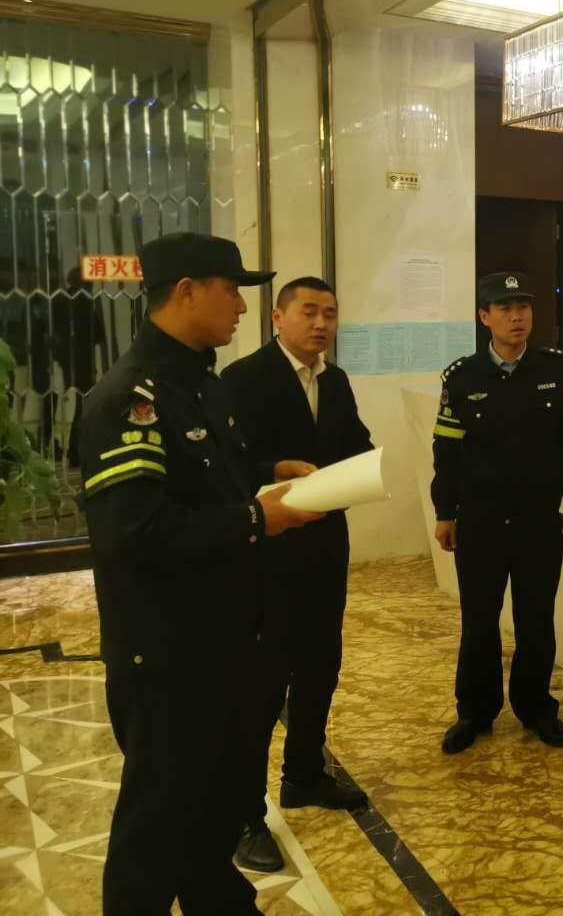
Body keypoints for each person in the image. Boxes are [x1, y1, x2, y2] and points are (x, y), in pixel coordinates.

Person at [79, 232, 322, 915]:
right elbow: (136, 531)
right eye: (232, 290)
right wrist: (256, 519)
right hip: (166, 655)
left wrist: (266, 474)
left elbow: (205, 483)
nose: (242, 307)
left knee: (212, 817)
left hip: (222, 642)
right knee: (155, 835)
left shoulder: (200, 386)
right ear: (186, 292)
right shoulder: (130, 399)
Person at [222, 276, 374, 873]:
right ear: (277, 318)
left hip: (325, 546)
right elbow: (226, 465)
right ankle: (243, 813)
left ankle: (304, 774)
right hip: (267, 550)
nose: (321, 324)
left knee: (320, 664)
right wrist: (275, 468)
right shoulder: (244, 379)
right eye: (308, 312)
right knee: (263, 685)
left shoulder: (335, 381)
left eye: (330, 314)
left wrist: (366, 469)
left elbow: (355, 443)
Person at [431, 271, 563, 753]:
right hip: (479, 521)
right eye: (504, 308)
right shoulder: (462, 378)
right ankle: (474, 712)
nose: (517, 316)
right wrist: (445, 511)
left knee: (536, 618)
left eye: (523, 306)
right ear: (485, 317)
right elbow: (447, 452)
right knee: (479, 620)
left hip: (537, 520)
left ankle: (537, 708)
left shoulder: (557, 371)